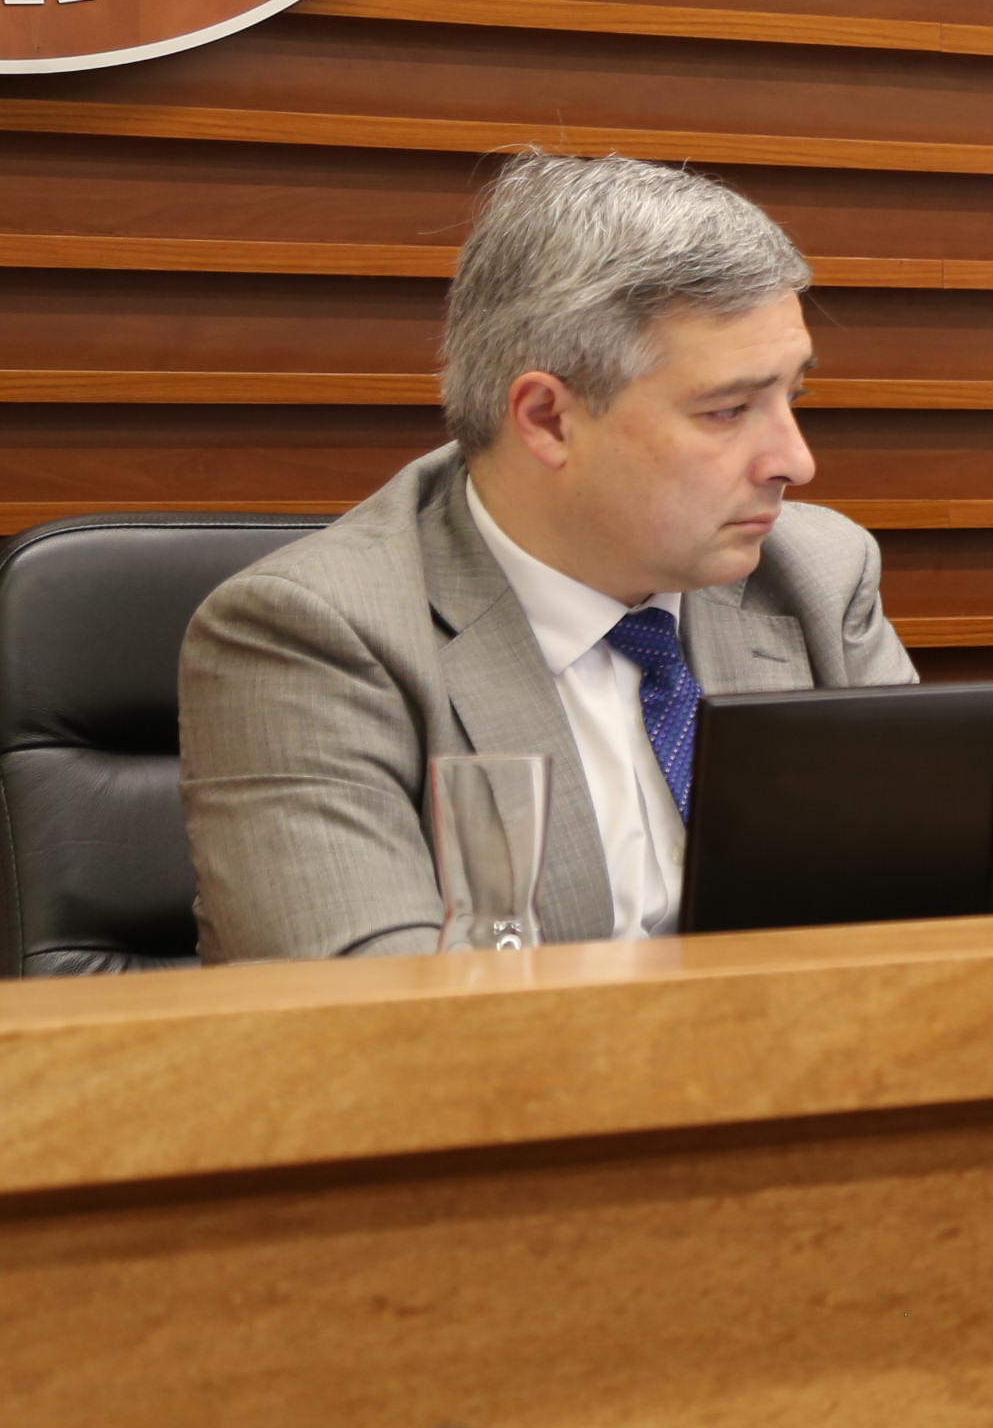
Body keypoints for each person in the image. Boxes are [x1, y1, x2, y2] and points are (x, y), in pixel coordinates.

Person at [180, 152, 913, 959]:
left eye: (792, 397)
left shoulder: (815, 574)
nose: (795, 462)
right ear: (548, 420)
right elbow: (374, 1010)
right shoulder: (312, 637)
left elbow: (937, 921)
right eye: (729, 410)